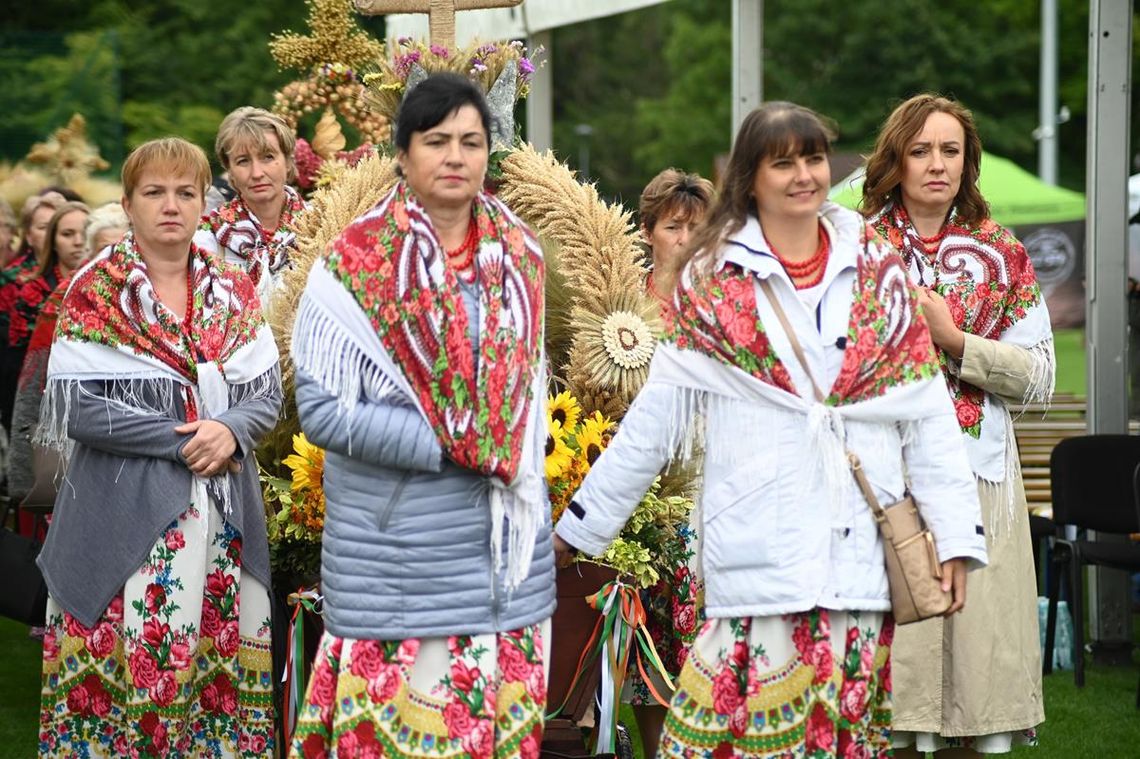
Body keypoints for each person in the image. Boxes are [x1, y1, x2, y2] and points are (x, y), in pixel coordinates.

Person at [553, 102, 989, 758]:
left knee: (841, 738)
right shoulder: (715, 280)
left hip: (855, 565)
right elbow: (657, 420)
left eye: (812, 158)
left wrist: (955, 534)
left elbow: (925, 411)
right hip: (756, 559)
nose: (803, 175)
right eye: (781, 161)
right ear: (750, 178)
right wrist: (577, 530)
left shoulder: (877, 271)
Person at [287, 72, 554, 759]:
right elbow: (323, 410)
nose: (456, 157)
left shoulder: (520, 255)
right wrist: (451, 441)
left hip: (502, 556)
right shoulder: (354, 263)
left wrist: (497, 440)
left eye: (471, 141)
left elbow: (524, 392)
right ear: (403, 153)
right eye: (437, 141)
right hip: (397, 557)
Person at [35, 137, 282, 758]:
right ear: (128, 203)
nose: (170, 205)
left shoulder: (234, 290)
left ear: (204, 203)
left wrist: (229, 431)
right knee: (124, 687)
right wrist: (189, 438)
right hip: (125, 520)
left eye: (185, 192)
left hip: (223, 521)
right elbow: (79, 410)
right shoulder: (96, 290)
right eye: (154, 193)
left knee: (215, 688)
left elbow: (265, 397)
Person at [861, 93, 1051, 757]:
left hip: (982, 481)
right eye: (920, 150)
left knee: (978, 675)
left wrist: (955, 340)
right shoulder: (856, 246)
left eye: (950, 150)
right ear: (895, 159)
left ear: (968, 161)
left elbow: (1039, 377)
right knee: (893, 686)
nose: (936, 164)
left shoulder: (1003, 251)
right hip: (882, 486)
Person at [627, 167, 714, 758]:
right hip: (639, 486)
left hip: (707, 485)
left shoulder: (723, 303)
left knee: (700, 639)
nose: (685, 238)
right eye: (674, 226)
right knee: (644, 639)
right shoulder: (621, 302)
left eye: (698, 228)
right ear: (648, 231)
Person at [8, 202, 128, 509]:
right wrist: (23, 474)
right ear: (90, 252)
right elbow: (33, 385)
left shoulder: (148, 298)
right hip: (74, 448)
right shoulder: (65, 297)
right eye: (104, 248)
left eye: (122, 246)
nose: (113, 257)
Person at [6, 201, 90, 505]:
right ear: (53, 239)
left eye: (83, 233)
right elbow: (22, 376)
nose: (78, 241)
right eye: (68, 233)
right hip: (43, 414)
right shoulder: (35, 294)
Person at [195, 106, 307, 302]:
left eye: (268, 157)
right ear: (230, 171)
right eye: (243, 161)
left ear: (288, 161)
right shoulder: (208, 240)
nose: (257, 173)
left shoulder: (320, 227)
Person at [0, 191, 65, 434]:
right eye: (42, 226)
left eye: (55, 226)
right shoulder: (13, 282)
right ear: (28, 235)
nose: (49, 234)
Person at [641, 168, 715, 311]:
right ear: (647, 234)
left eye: (695, 229)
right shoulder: (622, 296)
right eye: (673, 228)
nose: (686, 240)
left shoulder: (724, 299)